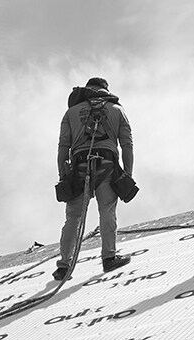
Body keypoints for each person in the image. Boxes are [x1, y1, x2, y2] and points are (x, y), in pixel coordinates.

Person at [54, 77, 135, 281]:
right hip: (107, 166)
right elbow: (127, 145)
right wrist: (128, 173)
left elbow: (63, 147)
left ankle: (64, 267)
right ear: (105, 90)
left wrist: (63, 175)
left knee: (73, 217)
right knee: (107, 211)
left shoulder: (71, 112)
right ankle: (109, 257)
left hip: (79, 168)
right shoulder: (117, 110)